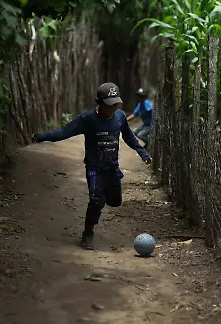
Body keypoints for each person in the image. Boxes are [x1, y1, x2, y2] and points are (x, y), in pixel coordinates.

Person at [32, 82, 152, 250]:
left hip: (112, 168)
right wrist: (42, 136)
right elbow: (63, 132)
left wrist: (143, 152)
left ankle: (104, 198)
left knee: (115, 201)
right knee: (96, 200)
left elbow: (129, 137)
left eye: (115, 104)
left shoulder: (120, 117)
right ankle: (88, 232)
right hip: (94, 168)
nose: (112, 108)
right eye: (109, 105)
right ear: (98, 102)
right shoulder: (88, 119)